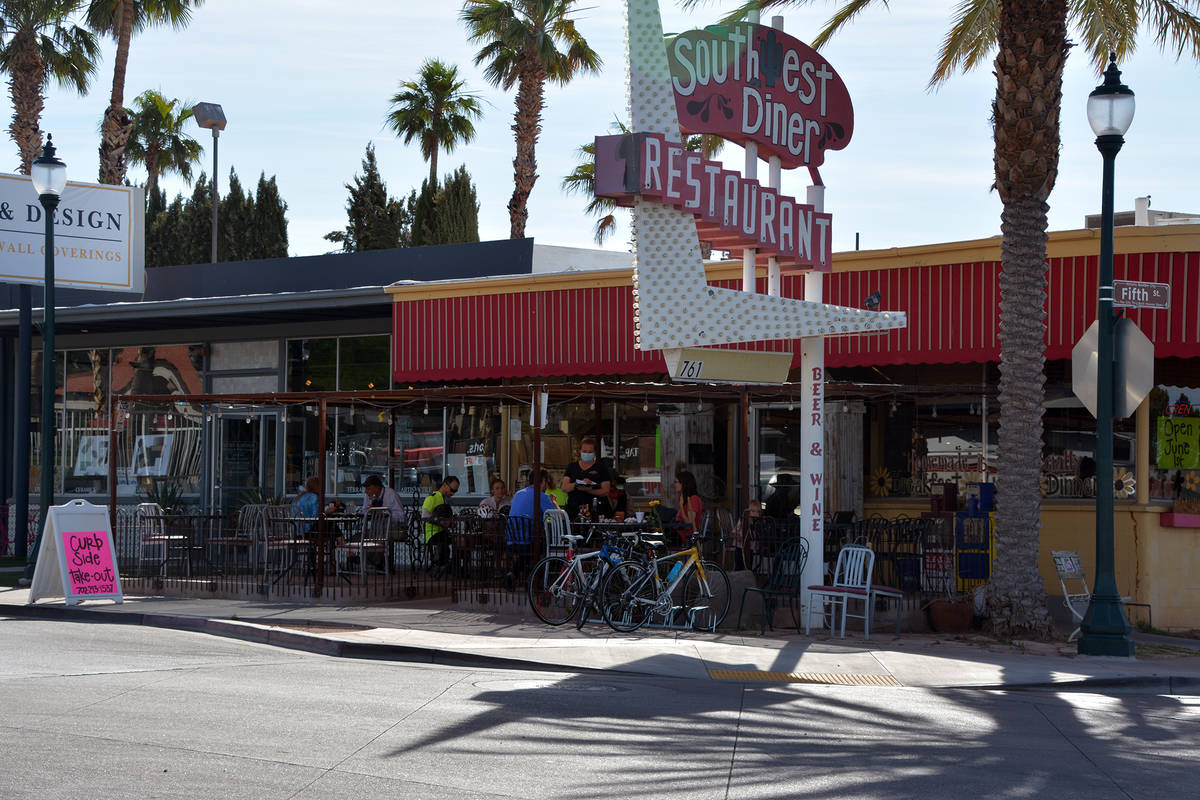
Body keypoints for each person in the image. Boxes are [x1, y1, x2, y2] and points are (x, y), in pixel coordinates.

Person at [505, 470, 557, 590]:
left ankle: (512, 574)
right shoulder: (541, 496)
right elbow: (558, 516)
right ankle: (534, 578)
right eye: (546, 482)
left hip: (511, 540)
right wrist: (554, 502)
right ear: (543, 481)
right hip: (529, 542)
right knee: (547, 548)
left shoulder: (518, 494)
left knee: (525, 554)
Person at [562, 436, 613, 520]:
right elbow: (564, 487)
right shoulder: (572, 467)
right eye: (584, 451)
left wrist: (589, 490)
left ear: (595, 453)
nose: (587, 454)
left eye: (590, 452)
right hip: (574, 511)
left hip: (595, 511)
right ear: (580, 451)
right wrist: (577, 484)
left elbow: (606, 491)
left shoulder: (601, 468)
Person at [421, 475, 459, 576]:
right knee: (444, 541)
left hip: (442, 532)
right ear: (445, 485)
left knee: (461, 541)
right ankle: (441, 565)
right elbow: (424, 516)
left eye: (455, 491)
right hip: (432, 533)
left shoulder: (444, 500)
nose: (453, 493)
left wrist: (450, 523)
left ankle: (455, 567)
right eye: (452, 490)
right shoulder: (431, 498)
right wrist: (442, 522)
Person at [670, 469, 704, 545]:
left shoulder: (693, 499)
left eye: (676, 482)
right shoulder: (686, 498)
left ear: (683, 483)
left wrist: (681, 506)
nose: (674, 484)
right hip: (678, 534)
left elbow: (689, 523)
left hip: (684, 537)